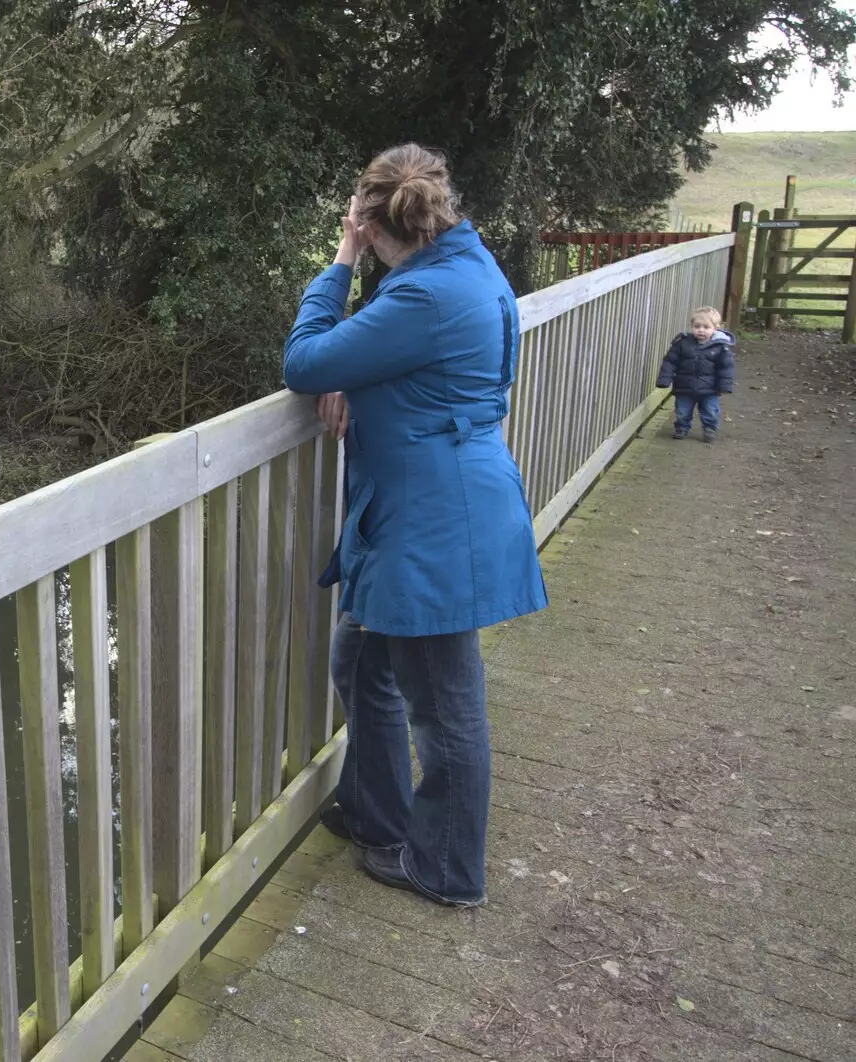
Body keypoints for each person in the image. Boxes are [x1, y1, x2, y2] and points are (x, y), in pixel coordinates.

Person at [282, 144, 547, 907]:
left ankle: (447, 869)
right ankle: (377, 814)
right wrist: (357, 383)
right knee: (361, 662)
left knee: (444, 708)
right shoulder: (463, 266)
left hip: (436, 524)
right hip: (422, 508)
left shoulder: (423, 295)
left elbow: (303, 361)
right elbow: (404, 356)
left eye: (362, 231)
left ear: (370, 222)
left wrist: (339, 265)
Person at [656, 307, 734, 442]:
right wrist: (665, 379)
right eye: (697, 326)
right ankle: (682, 427)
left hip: (710, 388)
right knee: (682, 410)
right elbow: (670, 361)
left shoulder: (720, 347)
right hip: (685, 386)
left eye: (706, 327)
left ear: (715, 328)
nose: (701, 330)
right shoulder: (682, 343)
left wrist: (724, 386)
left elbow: (726, 368)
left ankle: (710, 428)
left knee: (710, 410)